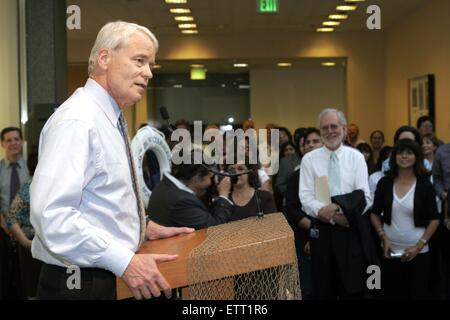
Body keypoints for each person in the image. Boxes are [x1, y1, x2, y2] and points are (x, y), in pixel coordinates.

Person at [30, 21, 194, 300]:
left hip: (105, 277)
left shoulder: (110, 117)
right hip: (80, 284)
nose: (148, 73)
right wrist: (124, 260)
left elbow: (100, 198)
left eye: (151, 65)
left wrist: (139, 227)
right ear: (104, 58)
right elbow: (52, 217)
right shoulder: (77, 120)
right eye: (140, 60)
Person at [299, 109, 373, 299]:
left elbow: (364, 196)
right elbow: (306, 199)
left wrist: (337, 208)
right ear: (320, 130)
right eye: (325, 127)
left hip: (351, 231)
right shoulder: (309, 160)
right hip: (323, 233)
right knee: (324, 290)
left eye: (334, 126)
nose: (330, 131)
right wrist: (334, 218)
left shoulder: (356, 157)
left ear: (344, 129)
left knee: (352, 289)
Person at [370, 139, 440, 299]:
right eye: (400, 153)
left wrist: (419, 245)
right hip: (390, 252)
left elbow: (435, 219)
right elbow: (374, 214)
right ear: (394, 157)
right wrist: (383, 237)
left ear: (417, 156)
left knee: (417, 294)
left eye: (409, 153)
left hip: (419, 254)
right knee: (390, 293)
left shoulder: (424, 184)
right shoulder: (385, 182)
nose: (404, 156)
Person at [148, 149, 233, 229]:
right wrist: (223, 195)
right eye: (209, 178)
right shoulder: (182, 201)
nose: (210, 183)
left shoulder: (164, 186)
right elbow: (215, 228)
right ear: (196, 178)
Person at [285, 127, 323, 300]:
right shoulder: (296, 176)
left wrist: (316, 233)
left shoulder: (330, 173)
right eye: (307, 142)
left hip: (328, 236)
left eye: (315, 141)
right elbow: (292, 209)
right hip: (303, 236)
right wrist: (312, 233)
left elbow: (326, 207)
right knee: (307, 289)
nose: (310, 145)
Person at [6, 149, 41, 299]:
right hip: (32, 246)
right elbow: (12, 217)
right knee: (33, 290)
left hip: (56, 247)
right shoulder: (31, 185)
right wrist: (26, 243)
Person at [0, 127, 30, 299]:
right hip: (2, 230)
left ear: (22, 141)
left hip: (27, 231)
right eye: (8, 140)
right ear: (2, 144)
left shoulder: (32, 168)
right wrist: (4, 223)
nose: (13, 143)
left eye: (16, 139)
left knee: (24, 278)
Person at [226, 157, 277, 221]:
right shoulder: (225, 202)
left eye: (240, 169)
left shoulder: (265, 197)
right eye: (231, 170)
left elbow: (273, 224)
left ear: (249, 172)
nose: (236, 172)